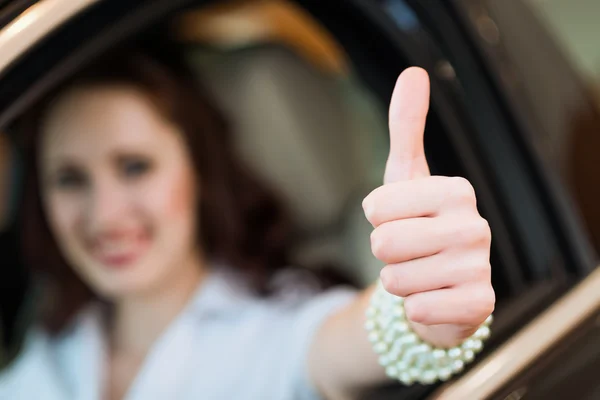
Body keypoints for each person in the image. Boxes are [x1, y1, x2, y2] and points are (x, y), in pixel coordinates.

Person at [0, 42, 494, 400]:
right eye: (69, 179)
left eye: (134, 167)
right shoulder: (52, 337)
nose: (104, 214)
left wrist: (428, 311)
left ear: (196, 171)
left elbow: (358, 339)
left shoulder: (278, 328)